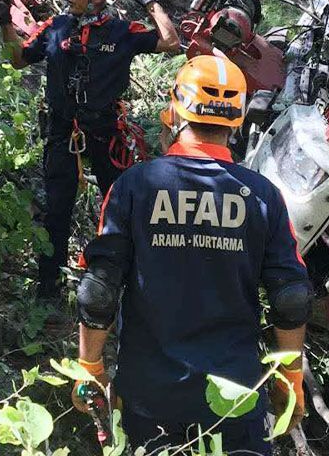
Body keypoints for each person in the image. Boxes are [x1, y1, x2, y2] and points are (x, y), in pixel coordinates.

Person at [71, 55, 312, 455]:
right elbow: (291, 297)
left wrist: (90, 368)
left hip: (149, 396)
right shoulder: (263, 196)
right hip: (234, 397)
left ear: (175, 110)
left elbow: (99, 289)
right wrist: (290, 380)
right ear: (237, 119)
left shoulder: (134, 186)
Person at [0, 0, 179, 302]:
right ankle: (49, 291)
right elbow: (18, 60)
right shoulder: (56, 27)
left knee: (119, 207)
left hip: (106, 132)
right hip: (62, 131)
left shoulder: (122, 32)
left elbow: (170, 41)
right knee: (56, 210)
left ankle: (124, 282)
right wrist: (4, 24)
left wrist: (152, 4)